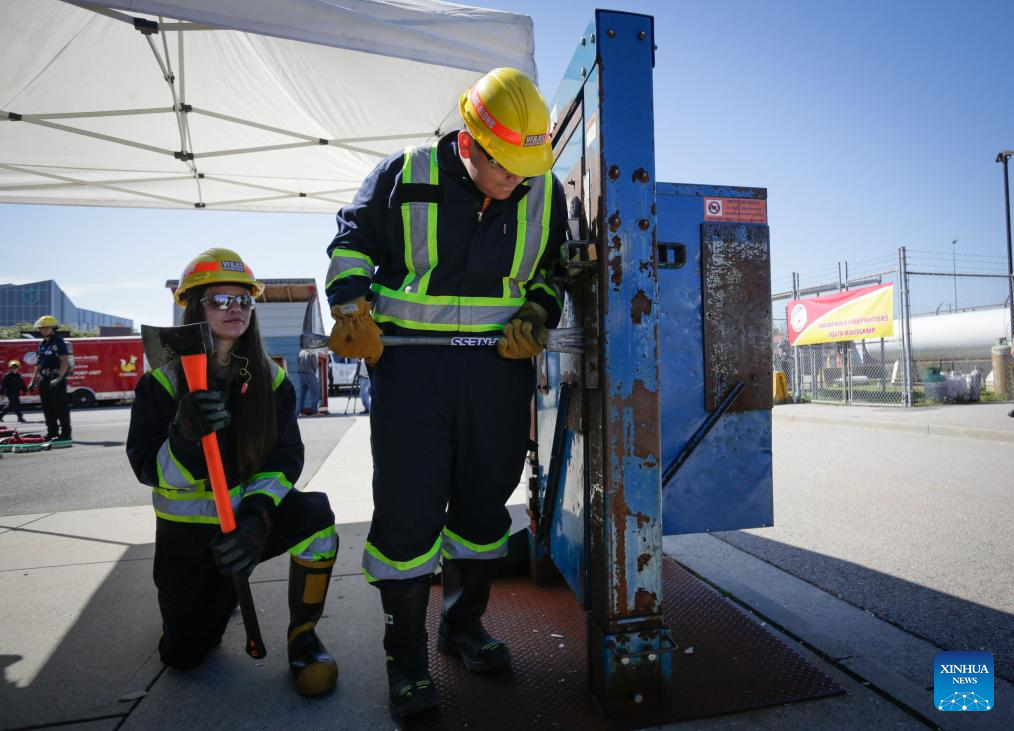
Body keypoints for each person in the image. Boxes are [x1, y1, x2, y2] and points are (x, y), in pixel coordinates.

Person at [324, 67, 565, 718]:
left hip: (497, 371)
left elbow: (552, 272)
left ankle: (461, 627)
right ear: (468, 143)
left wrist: (539, 312)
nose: (516, 180)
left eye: (526, 168)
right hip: (410, 371)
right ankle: (405, 660)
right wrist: (350, 307)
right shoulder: (403, 173)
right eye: (504, 167)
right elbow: (351, 244)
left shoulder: (545, 189)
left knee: (484, 506)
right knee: (408, 508)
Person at [126, 248, 340, 697]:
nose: (236, 308)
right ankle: (204, 609)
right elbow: (147, 467)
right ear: (194, 307)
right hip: (188, 539)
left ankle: (304, 635)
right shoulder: (161, 382)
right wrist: (184, 437)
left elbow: (285, 458)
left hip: (245, 524)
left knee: (316, 517)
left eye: (244, 300)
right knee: (183, 656)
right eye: (220, 300)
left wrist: (258, 517)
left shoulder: (271, 381)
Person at [28, 315, 71, 441]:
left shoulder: (58, 341)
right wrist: (33, 381)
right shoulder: (41, 344)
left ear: (53, 328)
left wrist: (59, 378)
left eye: (47, 327)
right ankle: (52, 432)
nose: (44, 330)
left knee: (60, 407)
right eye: (42, 328)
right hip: (44, 380)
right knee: (47, 408)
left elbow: (64, 361)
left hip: (56, 379)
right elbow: (38, 364)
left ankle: (66, 434)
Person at [296, 347, 320, 416]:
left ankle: (300, 412)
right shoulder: (311, 353)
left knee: (302, 395)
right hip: (310, 375)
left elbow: (298, 363)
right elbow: (315, 366)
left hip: (301, 375)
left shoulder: (301, 353)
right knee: (315, 393)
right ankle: (315, 412)